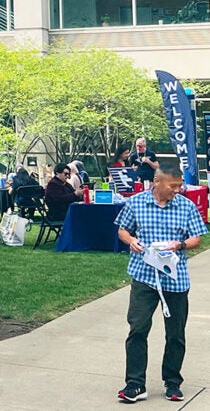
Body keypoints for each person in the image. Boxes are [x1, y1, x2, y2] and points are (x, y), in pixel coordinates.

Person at [115, 166, 206, 403]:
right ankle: (135, 384)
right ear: (156, 181)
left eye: (179, 186)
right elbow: (123, 230)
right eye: (172, 186)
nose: (177, 190)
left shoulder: (185, 206)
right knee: (138, 328)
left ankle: (173, 382)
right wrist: (132, 241)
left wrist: (180, 245)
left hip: (175, 280)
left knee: (175, 333)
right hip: (144, 276)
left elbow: (197, 238)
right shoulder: (135, 203)